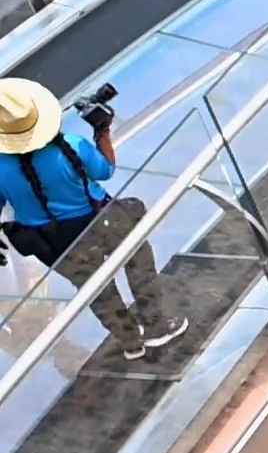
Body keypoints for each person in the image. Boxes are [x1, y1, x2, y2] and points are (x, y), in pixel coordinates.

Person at [0, 78, 182, 359]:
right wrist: (102, 131)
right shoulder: (72, 146)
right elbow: (105, 170)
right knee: (138, 261)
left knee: (96, 289)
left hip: (55, 243)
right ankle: (157, 325)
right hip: (102, 221)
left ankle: (130, 342)